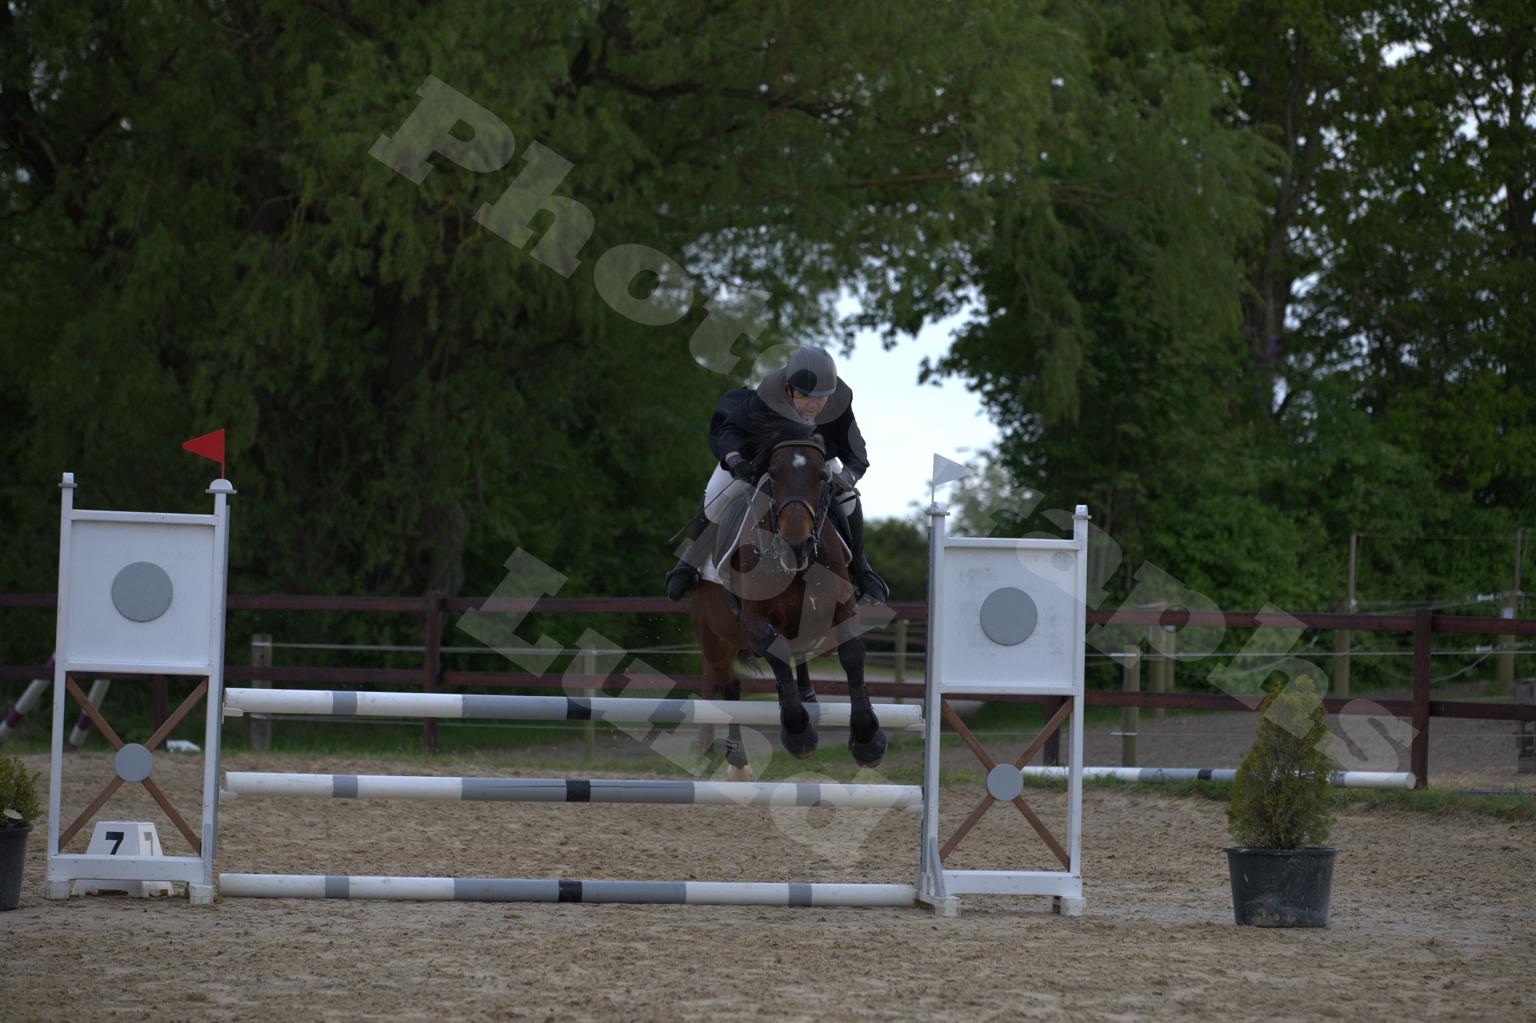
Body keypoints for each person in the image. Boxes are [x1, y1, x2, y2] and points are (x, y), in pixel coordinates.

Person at [665, 346, 889, 604]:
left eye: (821, 397)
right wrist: (735, 459)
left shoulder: (839, 399)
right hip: (759, 458)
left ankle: (861, 567)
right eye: (806, 396)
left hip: (813, 460)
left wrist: (846, 479)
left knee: (849, 499)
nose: (814, 404)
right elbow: (730, 430)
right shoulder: (767, 397)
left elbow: (856, 452)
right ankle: (689, 562)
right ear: (788, 388)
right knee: (717, 493)